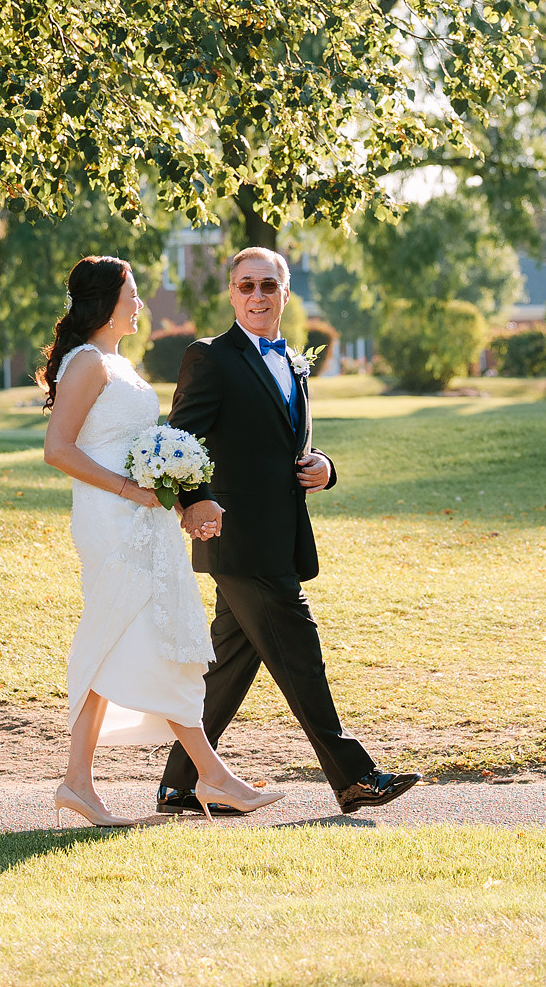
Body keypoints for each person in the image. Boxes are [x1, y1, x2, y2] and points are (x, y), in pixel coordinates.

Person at [156, 247, 419, 818]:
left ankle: (179, 784)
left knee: (227, 666)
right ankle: (355, 778)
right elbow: (178, 445)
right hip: (239, 541)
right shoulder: (211, 357)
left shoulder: (294, 362)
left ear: (285, 294)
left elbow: (290, 444)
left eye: (268, 286)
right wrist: (196, 500)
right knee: (301, 656)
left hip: (280, 536)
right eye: (246, 286)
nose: (257, 296)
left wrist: (323, 466)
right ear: (231, 294)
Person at [40, 254, 286, 827]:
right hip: (111, 520)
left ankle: (79, 780)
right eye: (131, 294)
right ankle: (212, 774)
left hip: (142, 516)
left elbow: (138, 447)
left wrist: (177, 497)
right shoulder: (87, 364)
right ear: (106, 302)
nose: (140, 304)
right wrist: (130, 490)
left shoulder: (116, 362)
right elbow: (59, 449)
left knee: (119, 637)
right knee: (146, 634)